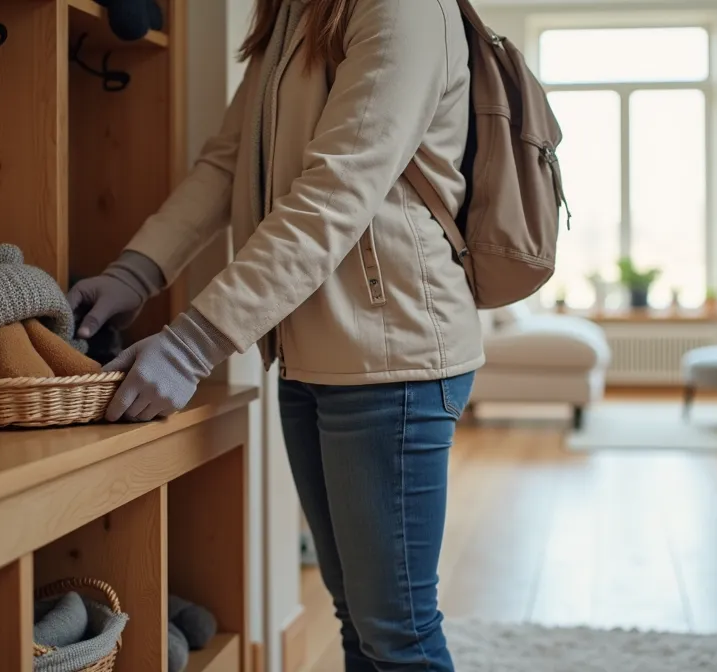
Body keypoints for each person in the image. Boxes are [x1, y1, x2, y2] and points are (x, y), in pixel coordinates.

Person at [67, 1, 479, 669]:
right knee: (359, 619)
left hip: (390, 356)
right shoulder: (296, 12)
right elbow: (228, 162)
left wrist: (191, 343)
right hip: (308, 351)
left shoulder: (398, 7)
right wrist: (135, 274)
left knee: (397, 631)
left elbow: (337, 191)